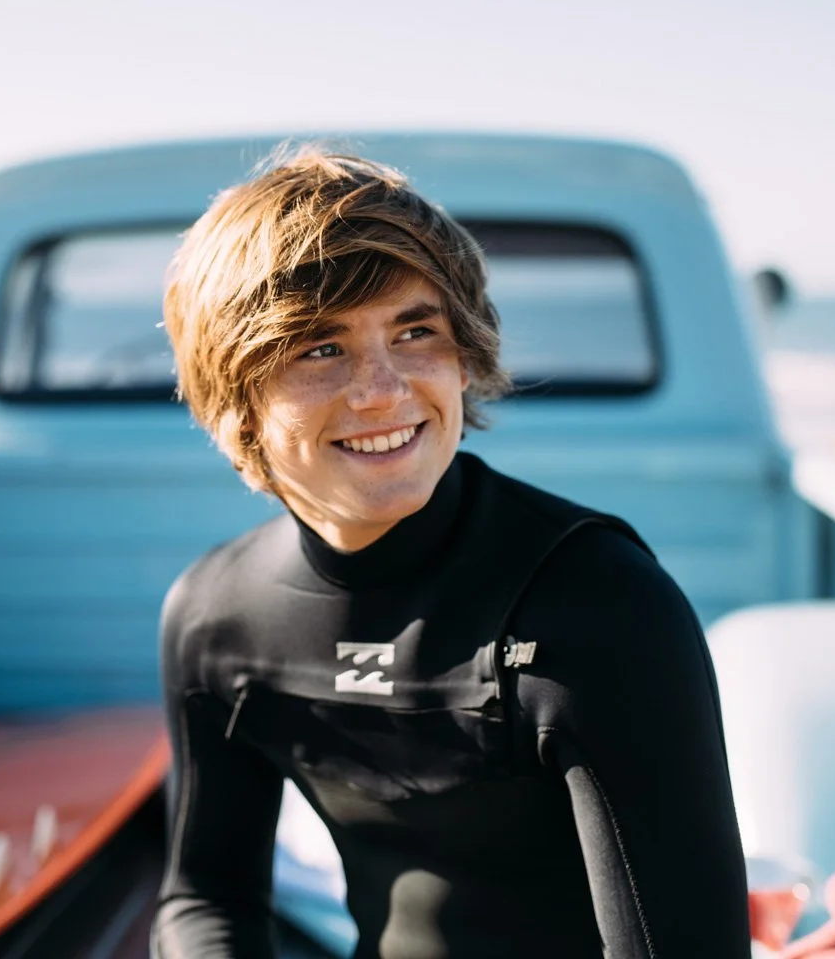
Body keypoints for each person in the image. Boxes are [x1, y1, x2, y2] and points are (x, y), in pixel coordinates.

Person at [151, 146, 751, 958]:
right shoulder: (217, 615)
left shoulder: (599, 604)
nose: (382, 390)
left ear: (464, 356)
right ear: (237, 396)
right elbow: (206, 896)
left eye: (415, 332)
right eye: (320, 347)